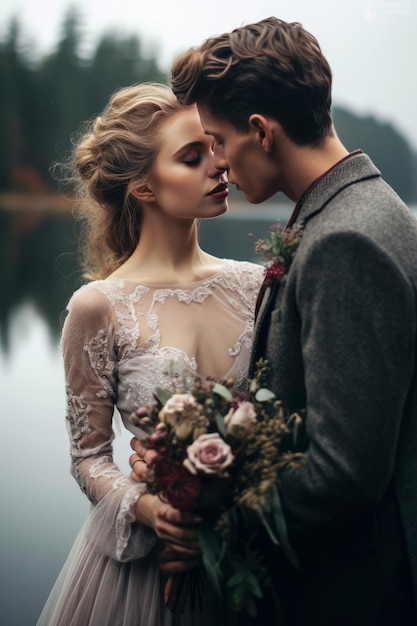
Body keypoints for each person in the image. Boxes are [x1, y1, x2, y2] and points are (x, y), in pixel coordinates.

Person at [168, 16, 417, 626]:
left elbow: (343, 474)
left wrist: (207, 511)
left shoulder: (345, 241)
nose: (220, 162)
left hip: (347, 595)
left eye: (219, 140)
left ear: (262, 131)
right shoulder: (357, 209)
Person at [36, 82, 264, 626]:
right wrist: (150, 511)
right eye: (192, 157)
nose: (219, 165)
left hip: (247, 554)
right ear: (143, 186)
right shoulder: (98, 307)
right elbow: (89, 458)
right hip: (143, 572)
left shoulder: (259, 285)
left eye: (214, 146)